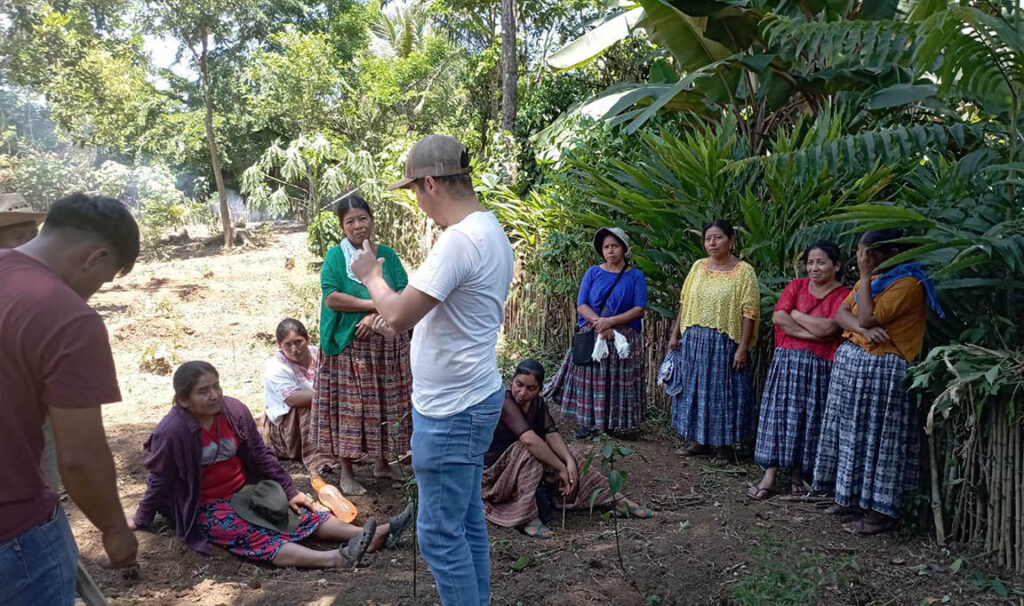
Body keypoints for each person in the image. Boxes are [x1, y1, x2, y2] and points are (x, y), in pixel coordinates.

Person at [350, 134, 514, 606]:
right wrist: (400, 321)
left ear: (429, 183)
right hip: (475, 395)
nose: (417, 202)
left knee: (440, 535)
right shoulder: (489, 229)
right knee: (465, 520)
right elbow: (446, 310)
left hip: (451, 410)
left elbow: (399, 312)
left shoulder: (459, 242)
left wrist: (371, 275)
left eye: (414, 191)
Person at [129, 361, 413, 567]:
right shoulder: (172, 432)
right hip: (206, 504)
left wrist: (290, 490)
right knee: (249, 532)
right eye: (204, 391)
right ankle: (334, 559)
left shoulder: (233, 411)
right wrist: (142, 517)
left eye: (216, 386)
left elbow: (261, 454)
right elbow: (159, 479)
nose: (214, 395)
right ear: (183, 400)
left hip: (246, 489)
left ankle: (370, 536)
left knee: (299, 513)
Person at [1, 193, 140, 605]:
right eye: (104, 279)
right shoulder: (68, 317)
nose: (93, 293)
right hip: (15, 535)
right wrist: (115, 529)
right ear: (95, 257)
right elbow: (80, 456)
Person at [813, 229, 942, 535]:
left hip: (884, 371)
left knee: (878, 439)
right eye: (860, 254)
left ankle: (878, 512)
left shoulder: (908, 283)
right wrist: (862, 329)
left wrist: (864, 285)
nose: (862, 260)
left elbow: (868, 317)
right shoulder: (872, 279)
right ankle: (848, 496)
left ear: (890, 253)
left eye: (867, 254)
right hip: (854, 367)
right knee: (850, 434)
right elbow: (842, 312)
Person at [482, 360, 653, 539]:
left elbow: (551, 434)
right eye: (519, 384)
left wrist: (569, 462)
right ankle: (528, 518)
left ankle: (616, 500)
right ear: (513, 380)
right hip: (494, 473)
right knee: (528, 452)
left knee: (568, 454)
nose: (523, 392)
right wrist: (560, 467)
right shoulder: (505, 401)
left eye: (531, 388)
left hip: (519, 461)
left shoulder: (537, 403)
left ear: (540, 389)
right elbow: (529, 440)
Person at [311, 194, 412, 494]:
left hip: (385, 346)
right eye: (350, 221)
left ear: (372, 219)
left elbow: (404, 291)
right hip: (349, 348)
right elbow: (332, 298)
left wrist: (377, 314)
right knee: (350, 408)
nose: (358, 226)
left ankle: (382, 463)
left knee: (385, 404)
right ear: (342, 227)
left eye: (363, 218)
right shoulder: (336, 257)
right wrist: (375, 305)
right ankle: (347, 473)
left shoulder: (387, 255)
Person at [748, 242, 850, 500]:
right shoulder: (796, 286)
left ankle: (798, 475)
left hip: (819, 368)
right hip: (786, 362)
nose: (814, 268)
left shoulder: (844, 295)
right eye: (810, 262)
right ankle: (769, 476)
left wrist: (795, 314)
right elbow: (778, 318)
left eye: (821, 262)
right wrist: (812, 333)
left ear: (836, 266)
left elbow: (830, 328)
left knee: (808, 420)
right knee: (778, 416)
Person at [667, 219, 759, 465]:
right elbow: (685, 302)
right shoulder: (698, 267)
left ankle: (724, 447)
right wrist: (675, 334)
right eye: (708, 238)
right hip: (693, 341)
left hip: (724, 343)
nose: (712, 243)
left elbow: (749, 312)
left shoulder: (744, 271)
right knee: (694, 391)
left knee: (723, 394)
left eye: (718, 237)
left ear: (731, 240)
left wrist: (743, 347)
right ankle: (698, 441)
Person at [544, 227, 648, 438]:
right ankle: (589, 423)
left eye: (615, 246)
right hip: (593, 334)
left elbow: (639, 309)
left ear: (624, 248)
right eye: (606, 247)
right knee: (591, 381)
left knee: (618, 383)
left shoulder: (635, 276)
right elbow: (582, 304)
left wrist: (611, 322)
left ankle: (615, 424)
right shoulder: (593, 272)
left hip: (623, 339)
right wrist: (600, 324)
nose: (610, 251)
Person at [259, 318, 319, 470]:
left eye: (298, 342)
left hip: (323, 412)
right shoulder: (276, 366)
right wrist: (331, 395)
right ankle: (318, 459)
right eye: (288, 345)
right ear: (279, 345)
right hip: (286, 426)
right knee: (308, 405)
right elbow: (292, 399)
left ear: (307, 339)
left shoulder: (319, 354)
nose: (294, 349)